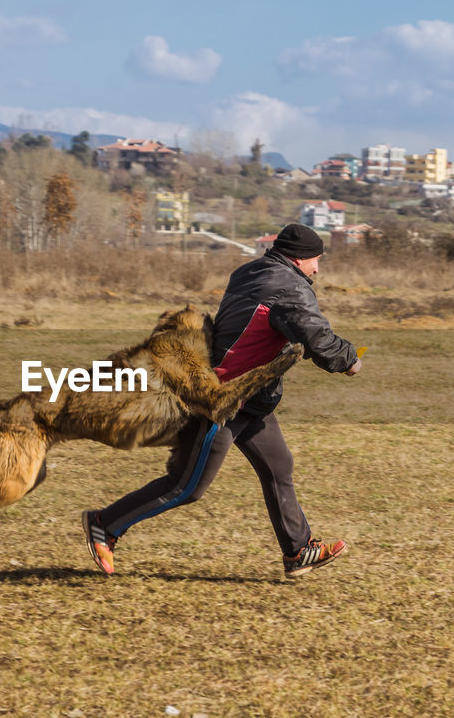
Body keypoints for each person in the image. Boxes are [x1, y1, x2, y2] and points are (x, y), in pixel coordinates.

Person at [81, 222, 361, 578]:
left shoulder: (249, 272)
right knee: (187, 487)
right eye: (315, 261)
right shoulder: (289, 288)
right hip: (222, 401)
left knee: (279, 467)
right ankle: (105, 523)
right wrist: (350, 359)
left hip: (252, 398)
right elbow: (318, 339)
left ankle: (298, 550)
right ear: (298, 259)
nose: (318, 269)